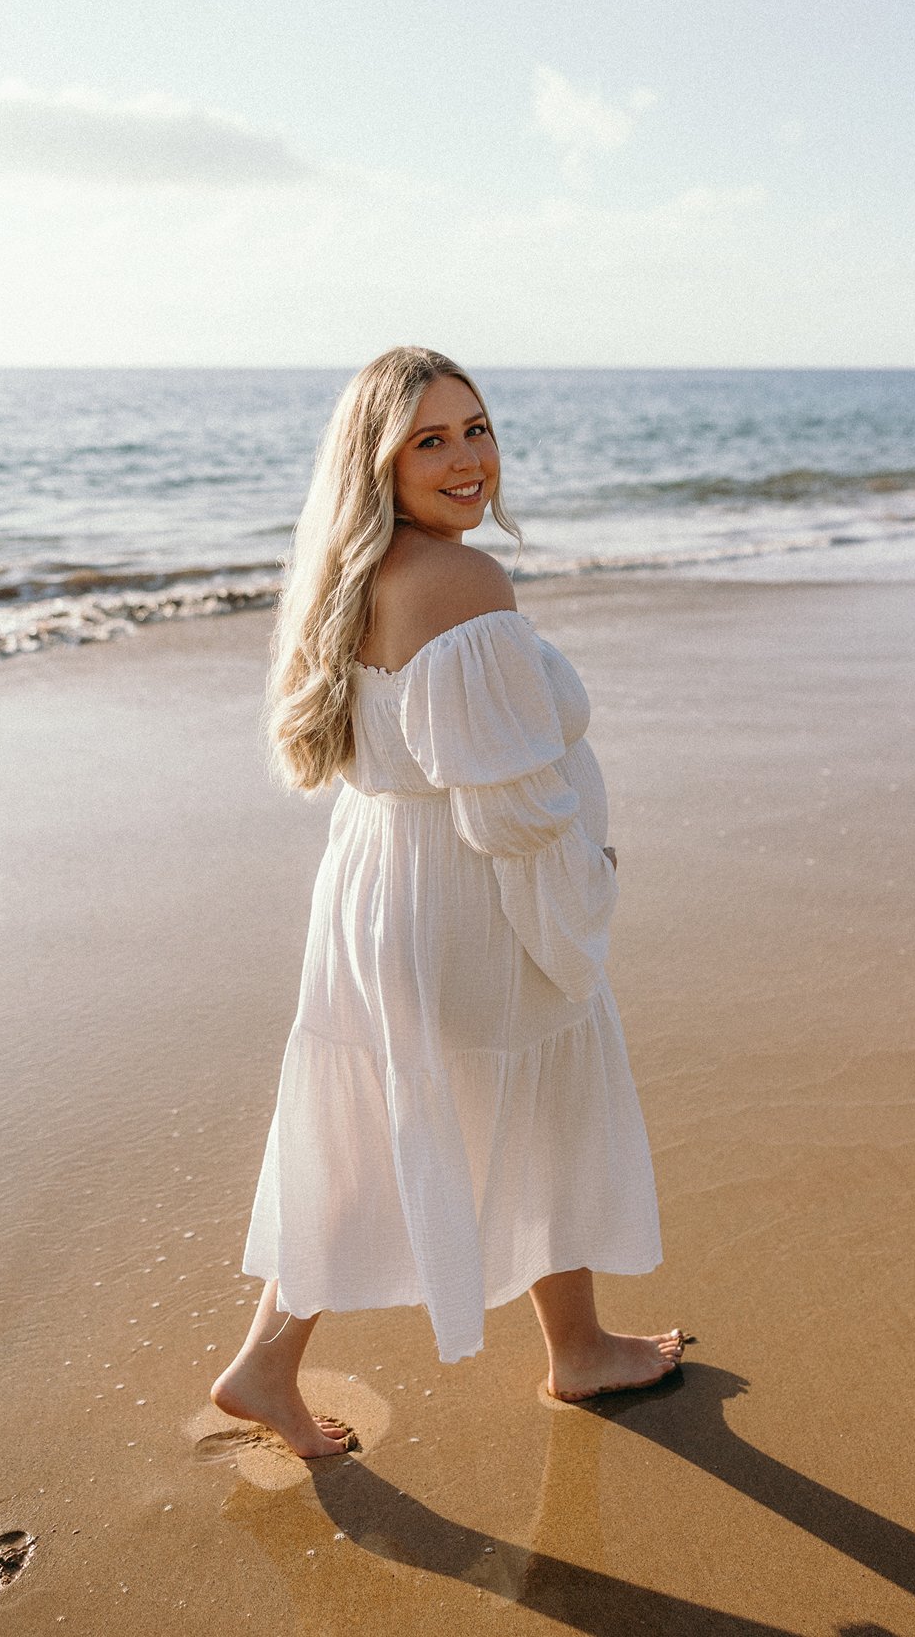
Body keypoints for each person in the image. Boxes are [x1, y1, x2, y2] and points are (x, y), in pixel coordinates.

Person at [210, 346, 687, 1458]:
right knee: (541, 1100)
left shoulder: (352, 574)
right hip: (465, 896)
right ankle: (574, 1354)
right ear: (379, 462)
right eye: (431, 439)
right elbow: (512, 808)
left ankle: (270, 1362)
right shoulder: (464, 583)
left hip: (375, 884)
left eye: (476, 428)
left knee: (380, 1118)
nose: (469, 459)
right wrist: (585, 893)